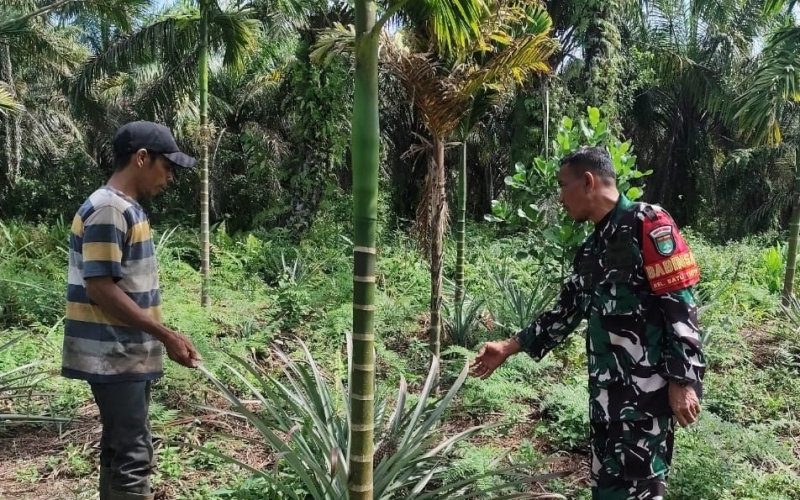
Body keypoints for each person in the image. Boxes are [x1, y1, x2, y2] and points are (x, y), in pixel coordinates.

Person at [470, 146, 705, 500]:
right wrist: (508, 346)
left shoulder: (648, 223)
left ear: (588, 182)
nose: (560, 197)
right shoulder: (592, 249)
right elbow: (566, 311)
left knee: (641, 492)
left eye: (563, 185)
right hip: (605, 401)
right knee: (607, 492)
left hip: (645, 401)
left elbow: (681, 306)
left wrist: (682, 380)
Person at [62, 121, 202, 500]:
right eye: (166, 167)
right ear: (142, 158)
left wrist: (160, 336)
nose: (170, 177)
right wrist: (166, 335)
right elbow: (100, 288)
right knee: (134, 456)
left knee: (119, 448)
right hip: (113, 354)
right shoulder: (109, 209)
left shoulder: (125, 208)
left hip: (123, 353)